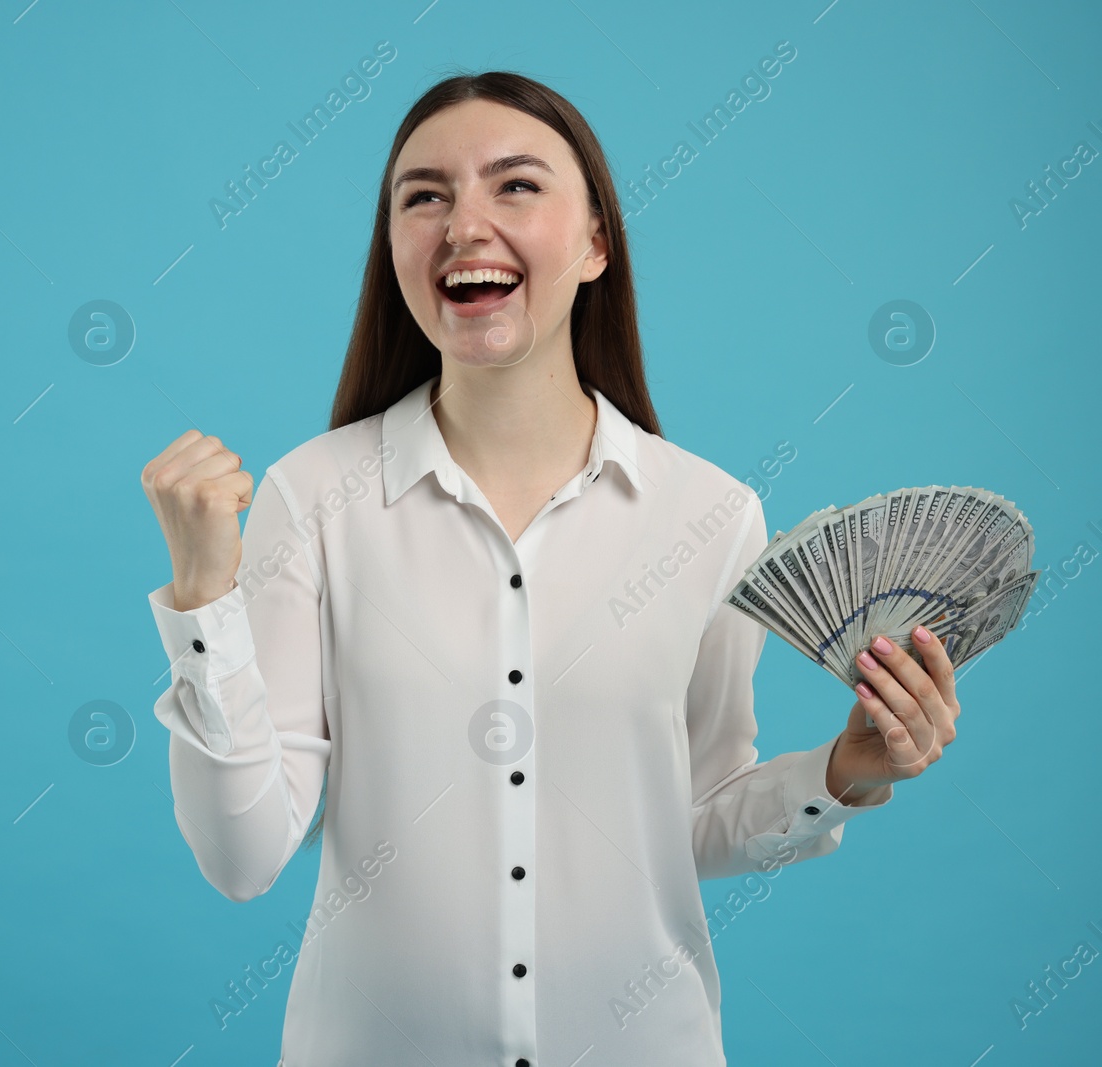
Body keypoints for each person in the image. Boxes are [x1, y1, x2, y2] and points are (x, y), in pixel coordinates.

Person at [139, 70, 961, 1067]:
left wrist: (844, 774)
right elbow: (240, 855)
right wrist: (202, 600)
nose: (462, 224)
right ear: (393, 246)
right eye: (424, 195)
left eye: (515, 186)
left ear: (594, 243)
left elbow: (692, 818)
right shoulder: (311, 497)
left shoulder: (710, 514)